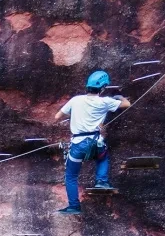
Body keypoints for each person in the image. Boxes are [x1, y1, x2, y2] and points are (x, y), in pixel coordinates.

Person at [56, 70, 131, 216]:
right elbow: (127, 104)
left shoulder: (75, 100)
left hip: (77, 144)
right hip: (95, 143)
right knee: (103, 157)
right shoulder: (105, 102)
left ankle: (74, 206)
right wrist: (118, 96)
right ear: (102, 88)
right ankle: (101, 181)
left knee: (71, 176)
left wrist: (77, 114)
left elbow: (57, 115)